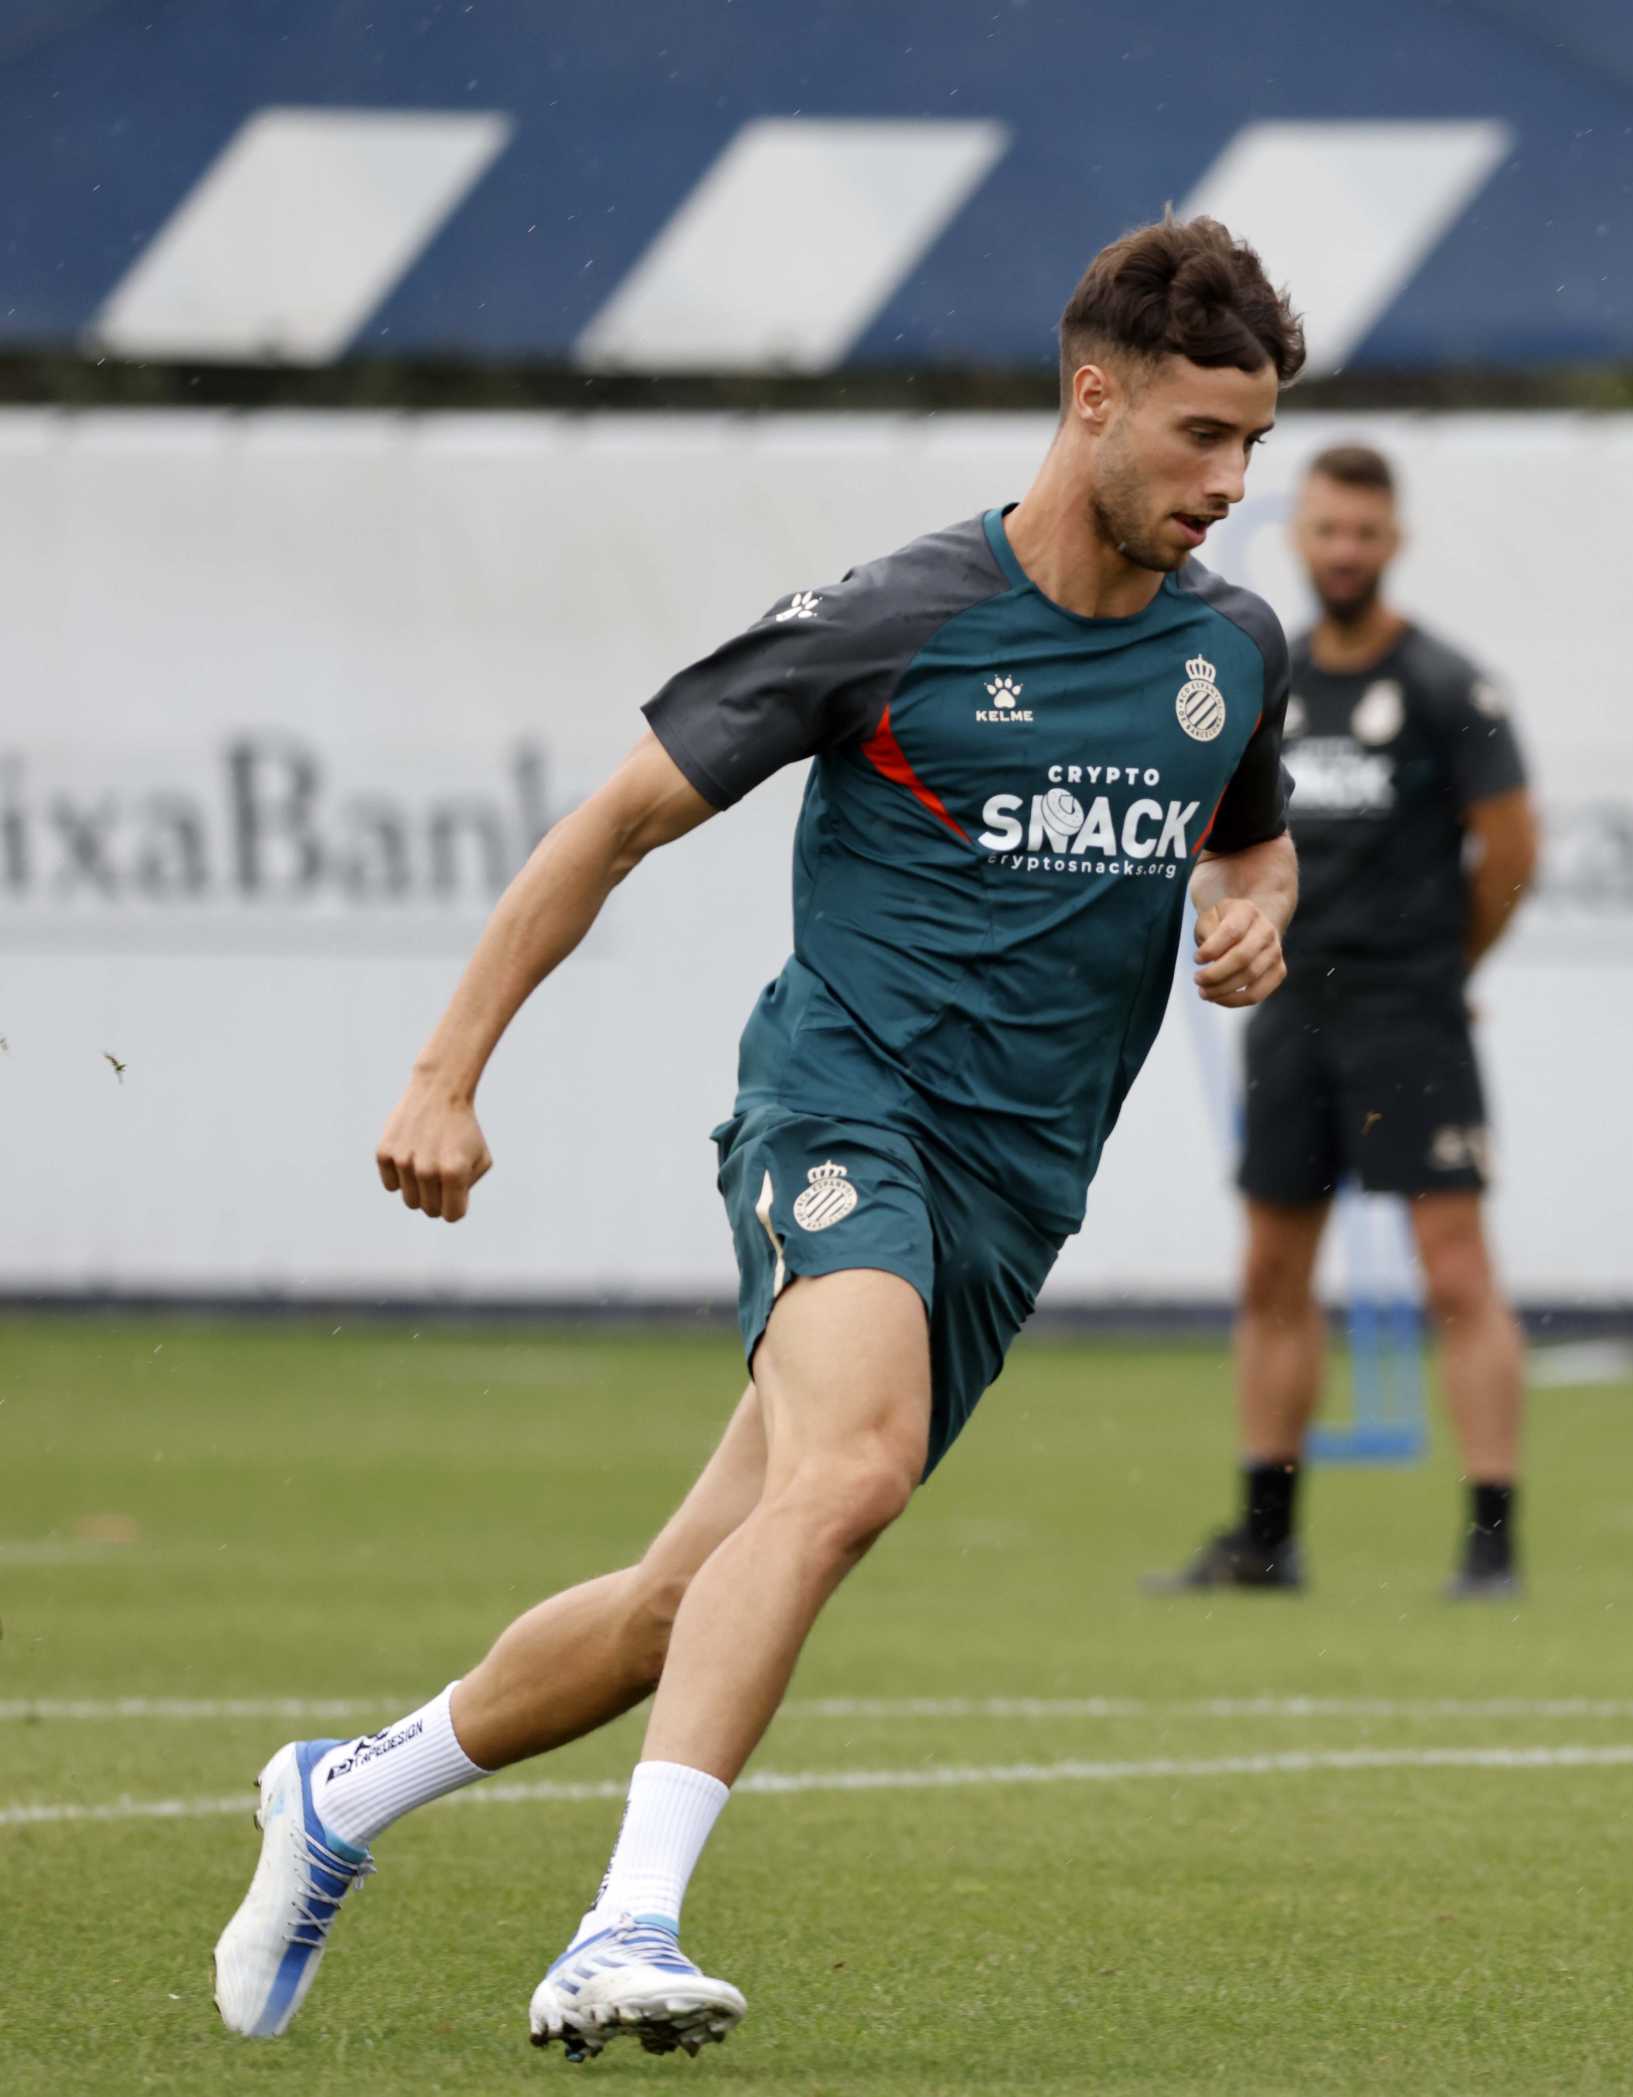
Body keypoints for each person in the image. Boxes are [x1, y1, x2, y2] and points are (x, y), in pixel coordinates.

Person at [212, 217, 1308, 2058]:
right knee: (853, 1470)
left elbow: (1255, 842)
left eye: (1255, 443)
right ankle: (620, 1927)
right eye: (1202, 435)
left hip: (1018, 1194)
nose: (1231, 483)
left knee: (678, 1600)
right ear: (1093, 400)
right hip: (845, 1104)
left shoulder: (1232, 650)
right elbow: (615, 822)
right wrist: (445, 1073)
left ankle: (342, 1793)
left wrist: (1258, 911)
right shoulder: (900, 616)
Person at [1148, 444, 1540, 1600]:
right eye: (1327, 531)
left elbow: (1510, 854)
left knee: (1455, 1272)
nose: (1345, 551)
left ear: (1394, 542)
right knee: (1273, 1270)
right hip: (1291, 1016)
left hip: (1411, 1019)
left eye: (1365, 533)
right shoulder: (1265, 679)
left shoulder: (1447, 687)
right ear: (1299, 538)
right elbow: (1225, 842)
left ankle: (1491, 1543)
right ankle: (1266, 1539)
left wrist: (1444, 968)